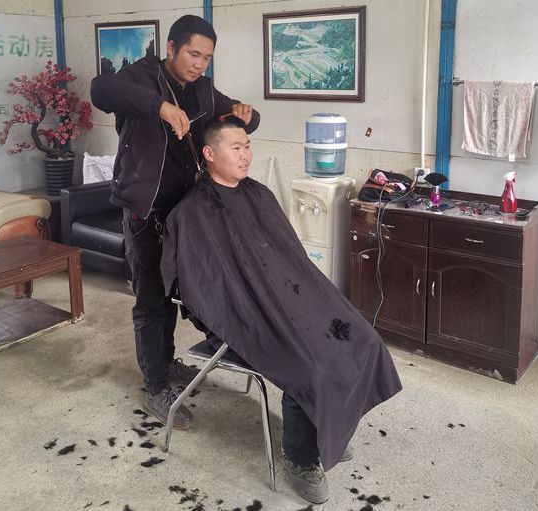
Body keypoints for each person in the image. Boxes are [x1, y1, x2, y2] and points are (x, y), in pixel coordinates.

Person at [160, 118, 402, 504]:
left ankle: (330, 423)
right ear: (209, 153)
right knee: (312, 366)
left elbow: (291, 259)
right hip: (242, 318)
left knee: (363, 339)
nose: (246, 154)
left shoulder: (258, 195)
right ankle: (300, 458)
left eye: (247, 146)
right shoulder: (193, 213)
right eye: (236, 147)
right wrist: (250, 307)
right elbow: (201, 285)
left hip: (288, 299)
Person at [89, 15, 260, 429]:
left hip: (186, 212)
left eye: (207, 57)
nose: (199, 64)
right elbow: (100, 90)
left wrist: (247, 114)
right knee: (152, 298)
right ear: (171, 47)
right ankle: (156, 386)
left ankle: (166, 363)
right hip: (144, 210)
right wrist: (161, 107)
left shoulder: (203, 90)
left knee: (181, 291)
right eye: (192, 54)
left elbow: (240, 120)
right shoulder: (141, 76)